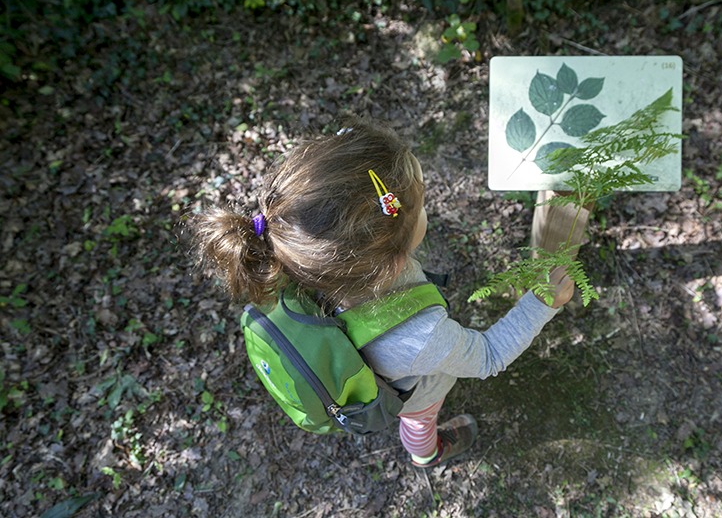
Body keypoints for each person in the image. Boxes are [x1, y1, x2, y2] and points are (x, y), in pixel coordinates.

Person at [193, 123, 574, 468]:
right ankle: (426, 452)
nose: (425, 210)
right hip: (414, 393)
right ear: (391, 257)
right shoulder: (422, 336)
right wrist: (542, 303)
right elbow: (489, 356)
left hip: (374, 355)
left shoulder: (297, 251)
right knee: (418, 419)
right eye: (420, 207)